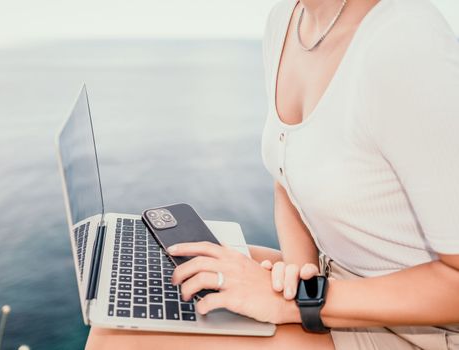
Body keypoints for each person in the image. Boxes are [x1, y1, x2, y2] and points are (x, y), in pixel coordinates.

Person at [86, 0, 459, 348]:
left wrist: (297, 303)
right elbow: (288, 167)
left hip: (418, 331)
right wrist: (297, 274)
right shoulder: (287, 22)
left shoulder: (407, 43)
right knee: (147, 282)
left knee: (117, 339)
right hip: (334, 282)